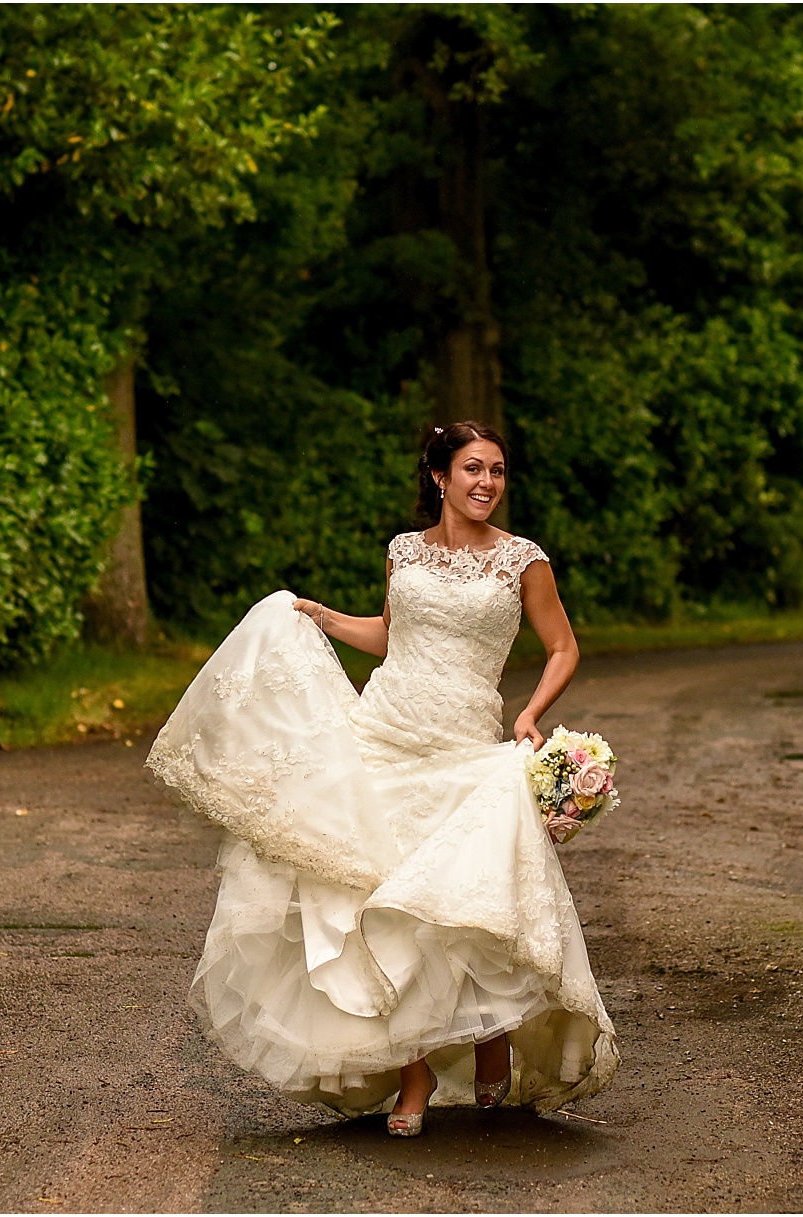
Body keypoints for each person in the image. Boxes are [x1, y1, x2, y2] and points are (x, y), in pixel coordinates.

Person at [146, 421, 617, 1136]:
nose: (486, 482)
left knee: (454, 896)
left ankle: (490, 1032)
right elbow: (394, 635)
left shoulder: (523, 560)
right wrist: (321, 616)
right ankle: (415, 1073)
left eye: (496, 470)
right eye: (471, 469)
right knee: (376, 897)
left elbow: (563, 645)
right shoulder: (404, 551)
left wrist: (530, 713)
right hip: (385, 733)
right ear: (439, 476)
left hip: (464, 740)